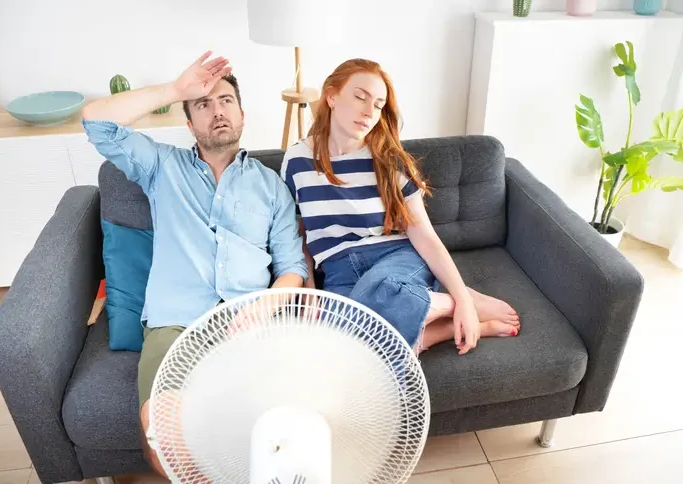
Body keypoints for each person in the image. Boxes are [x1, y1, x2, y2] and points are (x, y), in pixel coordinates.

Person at [81, 51, 308, 477]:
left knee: (278, 431)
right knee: (163, 434)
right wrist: (174, 90)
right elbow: (96, 120)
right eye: (202, 104)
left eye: (225, 100)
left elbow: (293, 266)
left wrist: (268, 304)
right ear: (189, 123)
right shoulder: (161, 167)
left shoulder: (272, 187)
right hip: (175, 326)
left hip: (250, 326)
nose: (216, 111)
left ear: (242, 113)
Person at [280, 58, 520, 357]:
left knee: (382, 290)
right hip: (337, 267)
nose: (369, 111)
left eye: (379, 104)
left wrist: (460, 293)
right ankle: (436, 326)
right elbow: (298, 232)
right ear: (331, 96)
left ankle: (460, 303)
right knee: (339, 343)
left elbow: (425, 236)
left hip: (395, 257)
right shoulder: (297, 160)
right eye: (360, 97)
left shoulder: (388, 159)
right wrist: (310, 289)